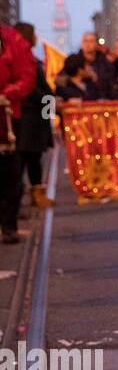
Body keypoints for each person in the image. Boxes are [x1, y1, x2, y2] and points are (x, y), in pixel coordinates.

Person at [0, 22, 36, 242]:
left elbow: (27, 77)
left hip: (7, 117)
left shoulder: (12, 40)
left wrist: (7, 95)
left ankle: (8, 223)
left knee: (9, 173)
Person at [14, 23, 53, 210]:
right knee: (22, 159)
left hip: (36, 118)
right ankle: (16, 200)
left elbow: (42, 87)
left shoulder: (32, 59)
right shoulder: (19, 59)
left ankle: (36, 195)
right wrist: (48, 100)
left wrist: (50, 106)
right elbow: (29, 88)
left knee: (34, 158)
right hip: (26, 118)